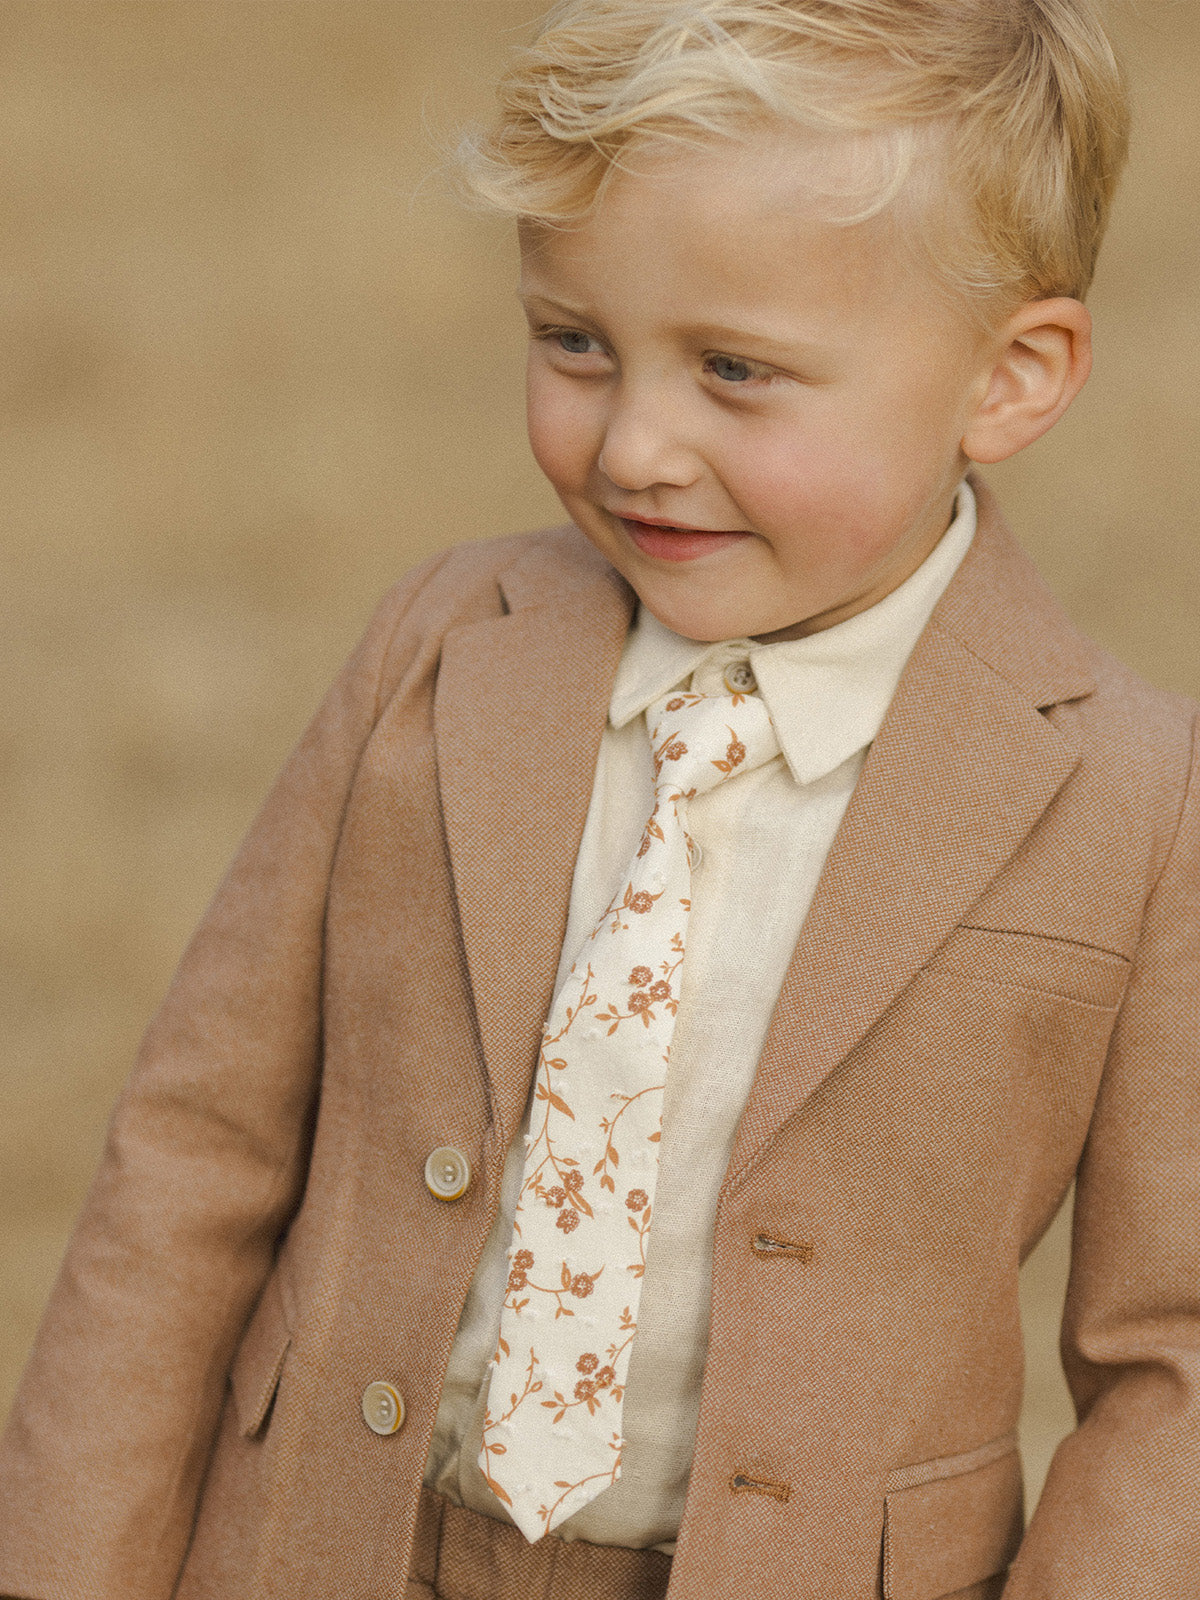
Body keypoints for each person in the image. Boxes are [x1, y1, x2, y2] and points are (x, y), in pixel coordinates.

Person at [2, 2, 1197, 1597]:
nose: (634, 443)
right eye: (574, 342)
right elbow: (193, 1160)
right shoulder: (437, 650)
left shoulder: (1135, 798)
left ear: (1011, 377)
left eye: (734, 370)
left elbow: (1172, 1367)